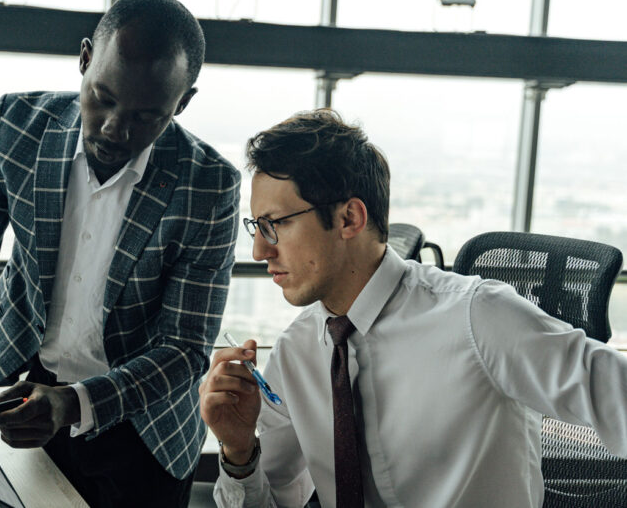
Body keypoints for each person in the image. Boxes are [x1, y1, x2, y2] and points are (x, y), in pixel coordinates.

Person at [0, 0, 241, 508]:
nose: (115, 128)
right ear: (83, 60)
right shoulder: (16, 128)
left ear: (182, 102)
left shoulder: (209, 186)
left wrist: (76, 404)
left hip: (142, 429)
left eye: (147, 116)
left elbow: (184, 349)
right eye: (103, 97)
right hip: (8, 392)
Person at [200, 108, 627, 507]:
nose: (258, 250)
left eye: (276, 225)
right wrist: (239, 451)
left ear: (350, 219)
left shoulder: (476, 317)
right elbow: (273, 499)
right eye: (257, 227)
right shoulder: (298, 350)